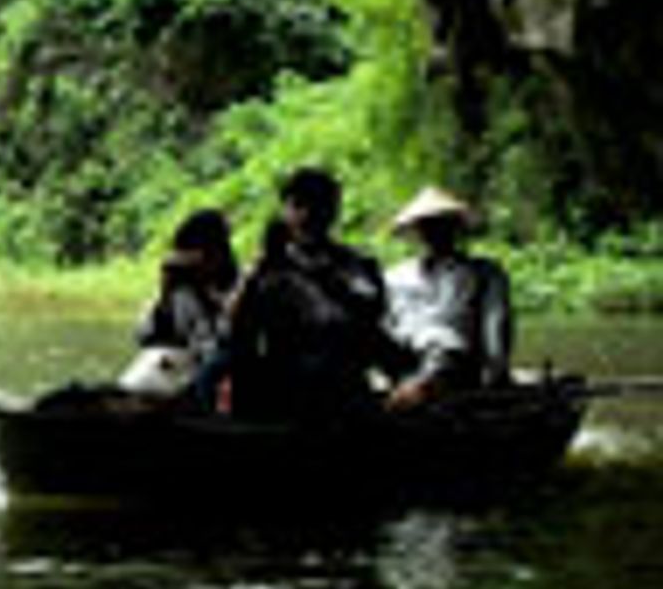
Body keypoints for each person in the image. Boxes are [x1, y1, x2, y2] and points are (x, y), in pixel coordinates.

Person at [200, 165, 396, 422]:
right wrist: (258, 271)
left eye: (317, 205)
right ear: (286, 211)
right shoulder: (268, 268)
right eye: (298, 205)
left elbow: (369, 313)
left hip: (338, 374)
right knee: (222, 362)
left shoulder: (356, 264)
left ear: (333, 211)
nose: (307, 214)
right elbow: (232, 330)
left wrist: (317, 275)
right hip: (284, 375)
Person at [381, 186, 512, 410]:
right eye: (427, 225)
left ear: (456, 228)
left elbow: (496, 326)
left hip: (455, 364)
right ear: (417, 230)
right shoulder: (394, 276)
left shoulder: (485, 273)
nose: (434, 231)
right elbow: (384, 324)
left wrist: (496, 372)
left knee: (443, 352)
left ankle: (414, 392)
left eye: (442, 224)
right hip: (402, 361)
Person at [122, 208, 239, 396]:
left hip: (212, 376)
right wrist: (165, 294)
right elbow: (144, 336)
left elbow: (224, 339)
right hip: (171, 370)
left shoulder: (238, 286)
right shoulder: (179, 288)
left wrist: (206, 296)